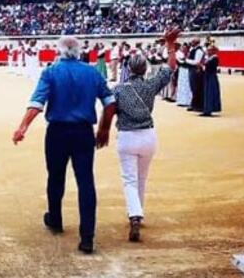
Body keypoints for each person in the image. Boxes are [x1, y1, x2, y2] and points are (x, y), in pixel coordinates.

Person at [12, 36, 116, 254]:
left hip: (57, 132)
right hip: (83, 131)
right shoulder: (92, 72)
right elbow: (110, 102)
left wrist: (23, 127)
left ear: (58, 51)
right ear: (79, 51)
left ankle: (55, 218)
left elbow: (37, 104)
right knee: (86, 181)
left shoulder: (51, 72)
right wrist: (104, 128)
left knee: (56, 176)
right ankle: (87, 236)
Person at [98, 28, 180, 243]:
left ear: (128, 68)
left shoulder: (119, 89)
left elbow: (109, 110)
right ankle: (138, 212)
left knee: (129, 179)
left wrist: (103, 129)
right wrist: (170, 46)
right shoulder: (150, 85)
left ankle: (135, 215)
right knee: (142, 178)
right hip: (148, 136)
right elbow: (170, 68)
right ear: (144, 70)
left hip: (127, 137)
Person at [200, 46, 222, 117]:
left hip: (211, 76)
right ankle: (207, 109)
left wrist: (202, 64)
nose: (207, 51)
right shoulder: (210, 58)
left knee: (210, 92)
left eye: (209, 50)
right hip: (208, 76)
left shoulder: (214, 58)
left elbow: (208, 66)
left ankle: (208, 109)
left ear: (213, 51)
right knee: (208, 92)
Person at [186, 38, 205, 112]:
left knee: (195, 87)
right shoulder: (194, 50)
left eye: (193, 42)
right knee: (193, 87)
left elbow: (196, 62)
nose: (191, 43)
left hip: (195, 70)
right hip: (193, 69)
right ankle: (195, 104)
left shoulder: (198, 51)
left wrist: (186, 60)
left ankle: (196, 104)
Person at [175, 42, 192, 107]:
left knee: (187, 85)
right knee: (181, 84)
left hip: (187, 70)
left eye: (185, 48)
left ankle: (187, 101)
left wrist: (184, 61)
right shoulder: (181, 55)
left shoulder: (189, 54)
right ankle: (181, 100)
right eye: (183, 48)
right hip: (181, 70)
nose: (184, 49)